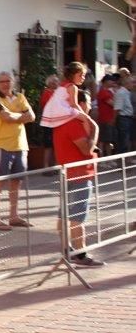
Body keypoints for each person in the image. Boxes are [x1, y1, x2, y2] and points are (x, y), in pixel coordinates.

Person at [52, 91, 105, 267]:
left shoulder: (62, 121)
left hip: (69, 173)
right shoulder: (74, 123)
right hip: (78, 174)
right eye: (89, 102)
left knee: (64, 215)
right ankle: (80, 254)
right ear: (80, 104)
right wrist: (95, 129)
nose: (90, 106)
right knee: (77, 217)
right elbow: (86, 149)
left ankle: (66, 251)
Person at [0, 72, 35, 230]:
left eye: (8, 81)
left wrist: (17, 116)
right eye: (2, 81)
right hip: (2, 146)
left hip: (20, 145)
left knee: (16, 182)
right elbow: (6, 117)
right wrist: (22, 115)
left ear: (13, 82)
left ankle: (13, 216)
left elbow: (32, 116)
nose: (5, 84)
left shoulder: (20, 97)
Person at [39, 63, 92, 135]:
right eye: (81, 75)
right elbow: (74, 104)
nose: (83, 78)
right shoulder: (73, 87)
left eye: (84, 76)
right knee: (86, 119)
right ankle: (89, 139)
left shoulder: (62, 84)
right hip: (62, 110)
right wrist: (84, 114)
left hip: (53, 111)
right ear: (73, 75)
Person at [38, 75, 59, 167]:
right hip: (49, 122)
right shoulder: (46, 93)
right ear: (49, 83)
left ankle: (56, 165)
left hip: (57, 122)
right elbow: (47, 105)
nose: (56, 83)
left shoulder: (58, 93)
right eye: (53, 81)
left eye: (56, 81)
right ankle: (46, 166)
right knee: (48, 145)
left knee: (56, 145)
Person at [96, 74, 118, 157]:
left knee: (108, 140)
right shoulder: (103, 92)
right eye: (111, 80)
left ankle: (108, 159)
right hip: (105, 119)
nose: (113, 82)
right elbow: (114, 104)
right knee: (104, 141)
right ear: (106, 81)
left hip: (110, 119)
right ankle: (103, 159)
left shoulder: (109, 91)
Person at [113, 74, 133, 155]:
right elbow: (117, 108)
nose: (133, 84)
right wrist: (114, 120)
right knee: (123, 140)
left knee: (127, 139)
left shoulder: (127, 92)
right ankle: (122, 160)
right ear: (127, 83)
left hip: (128, 119)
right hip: (123, 119)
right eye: (132, 83)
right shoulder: (121, 93)